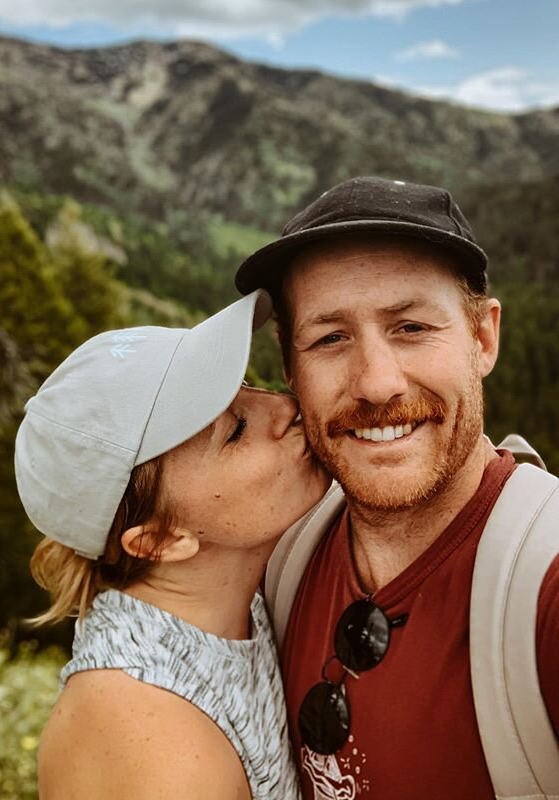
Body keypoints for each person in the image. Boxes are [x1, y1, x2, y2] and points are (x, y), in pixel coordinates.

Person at [234, 177, 559, 800]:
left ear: (483, 338)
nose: (377, 384)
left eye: (411, 327)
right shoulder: (277, 558)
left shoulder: (546, 588)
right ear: (288, 366)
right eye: (330, 338)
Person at [14, 290, 331, 800]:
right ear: (162, 540)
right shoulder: (157, 742)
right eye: (235, 431)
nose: (284, 405)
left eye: (245, 385)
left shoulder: (227, 605)